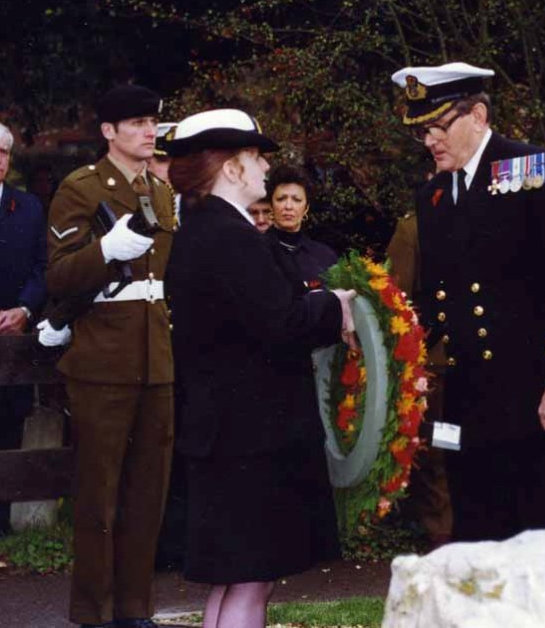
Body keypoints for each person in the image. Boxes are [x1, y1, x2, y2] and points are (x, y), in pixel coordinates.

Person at [164, 109, 356, 628]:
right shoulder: (230, 236)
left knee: (235, 578)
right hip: (250, 435)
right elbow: (282, 322)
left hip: (228, 431)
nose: (264, 168)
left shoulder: (206, 229)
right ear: (229, 167)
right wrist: (334, 305)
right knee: (252, 579)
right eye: (254, 157)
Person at [392, 62, 545, 541]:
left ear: (478, 115)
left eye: (438, 126)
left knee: (539, 536)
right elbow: (438, 297)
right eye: (422, 130)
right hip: (468, 394)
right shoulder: (435, 194)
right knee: (476, 533)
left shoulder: (534, 170)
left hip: (533, 393)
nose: (429, 140)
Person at [46, 85, 174, 628]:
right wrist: (104, 251)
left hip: (156, 359)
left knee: (148, 495)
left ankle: (134, 610)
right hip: (103, 361)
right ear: (108, 132)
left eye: (153, 121)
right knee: (99, 499)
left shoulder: (161, 193)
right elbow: (60, 276)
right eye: (138, 122)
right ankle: (93, 613)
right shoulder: (80, 189)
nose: (150, 131)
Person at [0, 118, 47, 538]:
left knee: (9, 428)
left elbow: (44, 266)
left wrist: (24, 308)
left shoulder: (28, 207)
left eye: (3, 152)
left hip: (17, 343)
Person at [385, 205, 454, 548]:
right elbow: (397, 299)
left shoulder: (488, 214)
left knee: (473, 445)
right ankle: (440, 530)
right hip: (435, 358)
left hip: (480, 362)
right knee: (438, 447)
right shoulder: (413, 229)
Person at [265, 164, 338, 287]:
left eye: (297, 200)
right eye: (281, 199)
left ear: (306, 208)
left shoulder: (324, 256)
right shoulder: (257, 249)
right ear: (271, 205)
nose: (288, 206)